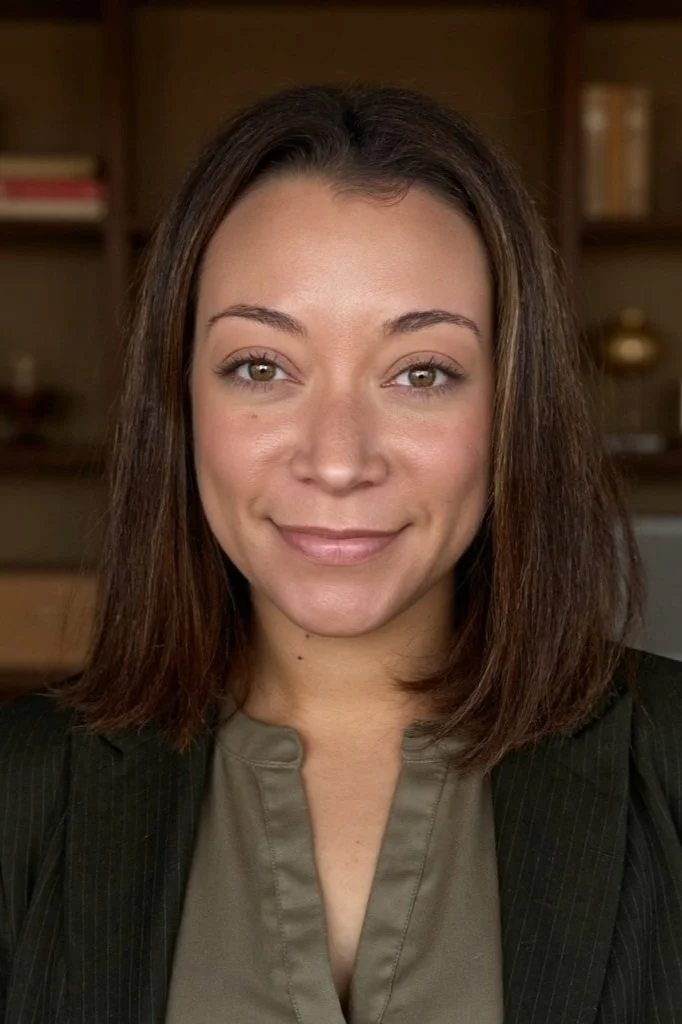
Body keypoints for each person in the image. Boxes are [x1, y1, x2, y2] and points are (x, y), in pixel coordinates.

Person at [1, 82, 681, 1024]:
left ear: (512, 410)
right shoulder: (20, 792)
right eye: (261, 367)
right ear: (181, 399)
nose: (337, 459)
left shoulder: (672, 767)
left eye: (422, 372)